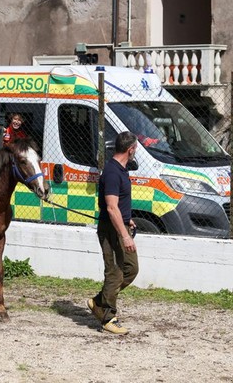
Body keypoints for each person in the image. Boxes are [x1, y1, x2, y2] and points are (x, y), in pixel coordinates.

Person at [87, 131, 139, 335]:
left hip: (121, 224)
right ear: (130, 149)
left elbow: (119, 204)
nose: (135, 152)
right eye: (135, 149)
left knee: (131, 269)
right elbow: (110, 207)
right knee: (115, 272)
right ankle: (108, 317)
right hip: (112, 229)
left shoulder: (121, 170)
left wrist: (128, 219)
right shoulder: (112, 172)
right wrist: (124, 235)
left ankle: (100, 301)